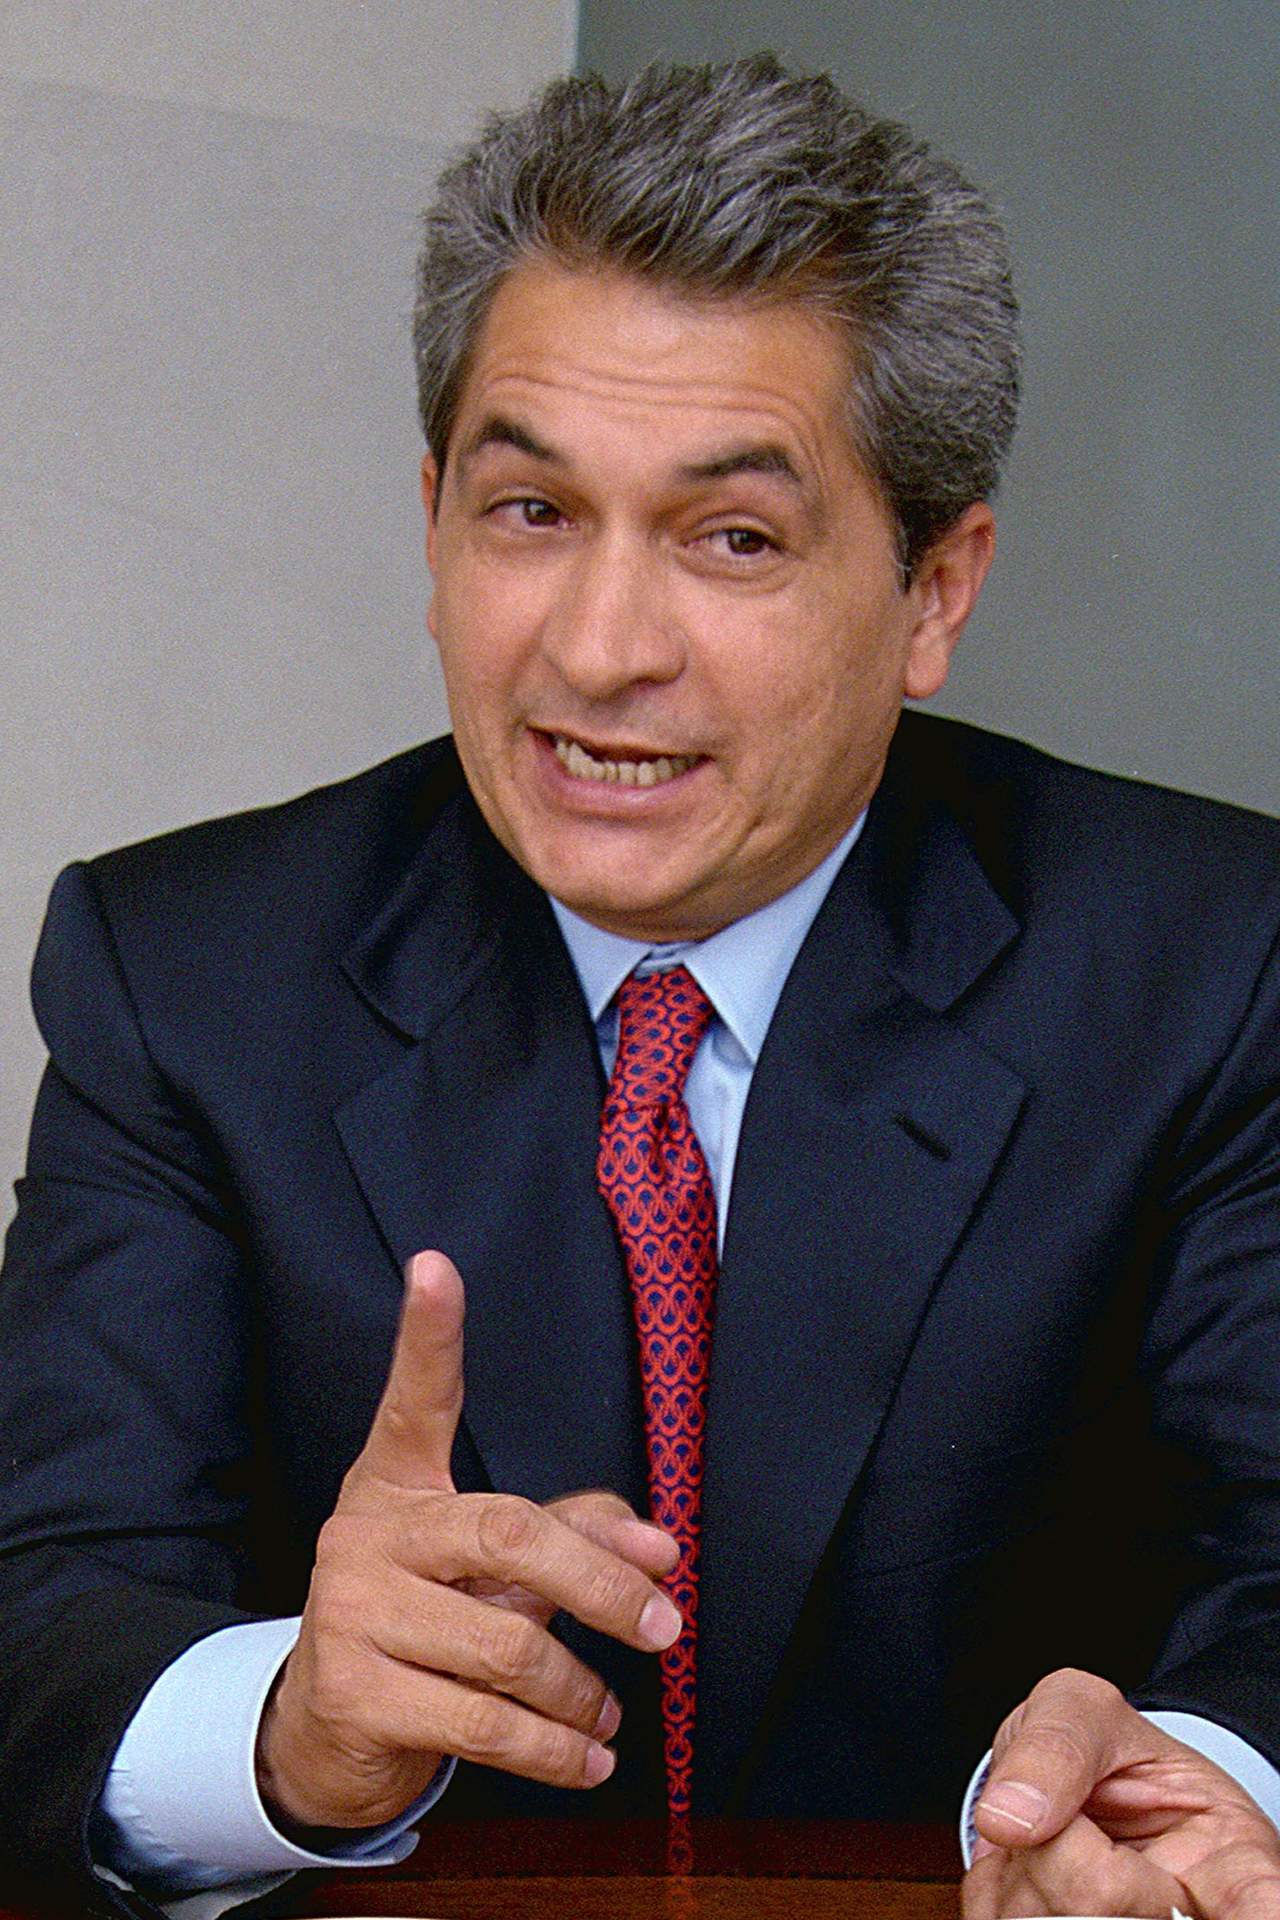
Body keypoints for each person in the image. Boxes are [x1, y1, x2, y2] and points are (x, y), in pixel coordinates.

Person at [2, 52, 1280, 1920]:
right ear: (433, 517)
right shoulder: (186, 972)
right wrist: (286, 1730)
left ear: (936, 590)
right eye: (530, 512)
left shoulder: (1212, 960)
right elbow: (47, 1603)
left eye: (732, 539)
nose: (600, 652)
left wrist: (1196, 1787)